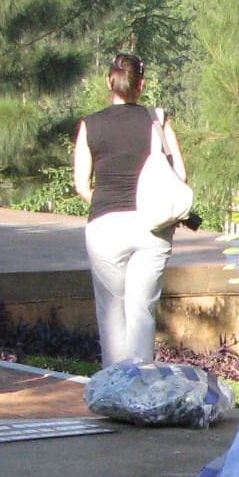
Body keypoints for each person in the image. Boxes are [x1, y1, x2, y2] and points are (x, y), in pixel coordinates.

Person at [72, 53, 186, 367]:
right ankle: (142, 386)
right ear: (142, 84)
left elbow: (82, 184)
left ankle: (115, 386)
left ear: (109, 81)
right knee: (142, 311)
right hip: (152, 225)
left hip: (106, 223)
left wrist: (108, 202)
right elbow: (181, 175)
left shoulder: (90, 125)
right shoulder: (157, 120)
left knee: (111, 311)